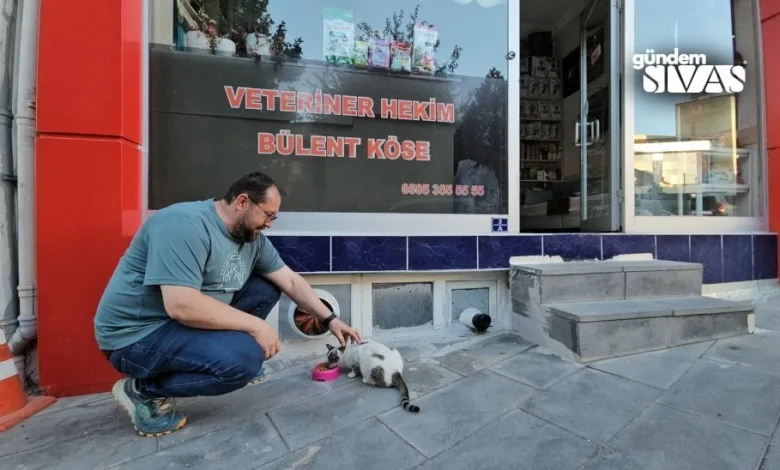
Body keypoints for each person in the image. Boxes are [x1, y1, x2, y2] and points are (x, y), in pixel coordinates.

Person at [94, 171, 362, 437]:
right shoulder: (182, 225)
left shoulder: (251, 238)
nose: (270, 224)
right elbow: (181, 305)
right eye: (268, 215)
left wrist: (331, 320)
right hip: (136, 335)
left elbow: (290, 281)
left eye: (274, 218)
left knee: (267, 287)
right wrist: (256, 326)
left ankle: (228, 353)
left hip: (178, 322)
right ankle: (143, 390)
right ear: (243, 202)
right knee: (242, 363)